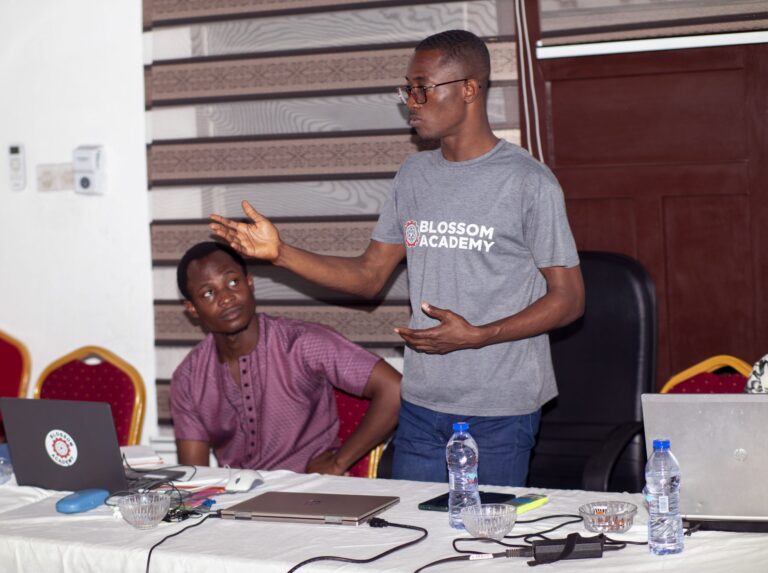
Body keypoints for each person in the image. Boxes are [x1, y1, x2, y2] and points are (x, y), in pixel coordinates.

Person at [209, 30, 584, 486]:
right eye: (407, 89)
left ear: (469, 89)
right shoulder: (413, 174)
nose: (411, 101)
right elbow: (369, 277)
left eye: (422, 88)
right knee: (415, 543)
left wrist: (480, 336)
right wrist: (281, 253)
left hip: (499, 409)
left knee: (484, 547)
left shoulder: (528, 182)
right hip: (422, 405)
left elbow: (568, 299)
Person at [171, 241, 401, 475]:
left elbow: (394, 389)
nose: (226, 298)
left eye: (233, 282)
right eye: (209, 293)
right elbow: (194, 475)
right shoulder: (189, 377)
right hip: (238, 500)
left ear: (249, 283)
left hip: (310, 494)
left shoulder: (302, 343)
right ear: (192, 308)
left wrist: (338, 463)